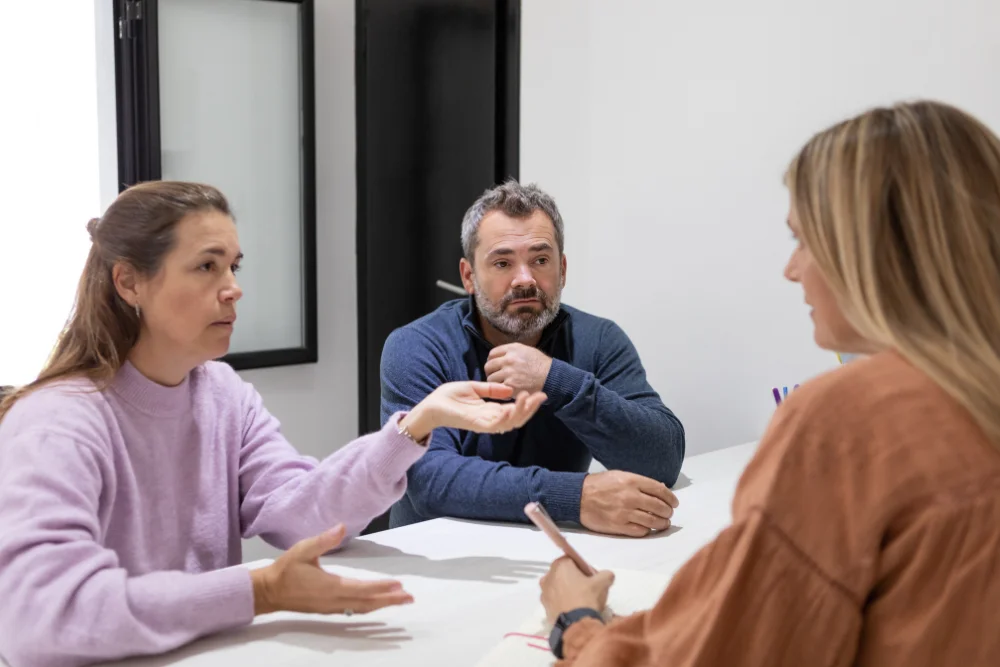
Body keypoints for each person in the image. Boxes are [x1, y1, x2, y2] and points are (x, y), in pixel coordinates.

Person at [0, 181, 546, 667]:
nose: (233, 287)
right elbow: (40, 618)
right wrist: (258, 591)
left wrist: (415, 426)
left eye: (234, 266)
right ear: (128, 282)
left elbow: (301, 514)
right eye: (206, 266)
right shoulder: (55, 423)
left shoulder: (221, 394)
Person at [538, 100, 1000, 665]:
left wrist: (575, 622)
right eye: (501, 262)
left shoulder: (849, 420)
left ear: (871, 248)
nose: (791, 269)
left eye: (803, 240)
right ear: (468, 273)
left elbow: (722, 650)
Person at [380, 181, 685, 536]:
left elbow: (662, 459)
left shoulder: (599, 340)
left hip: (553, 550)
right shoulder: (417, 345)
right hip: (438, 555)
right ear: (469, 276)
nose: (524, 280)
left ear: (562, 269)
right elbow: (428, 480)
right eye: (502, 263)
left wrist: (556, 380)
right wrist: (574, 497)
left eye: (540, 260)